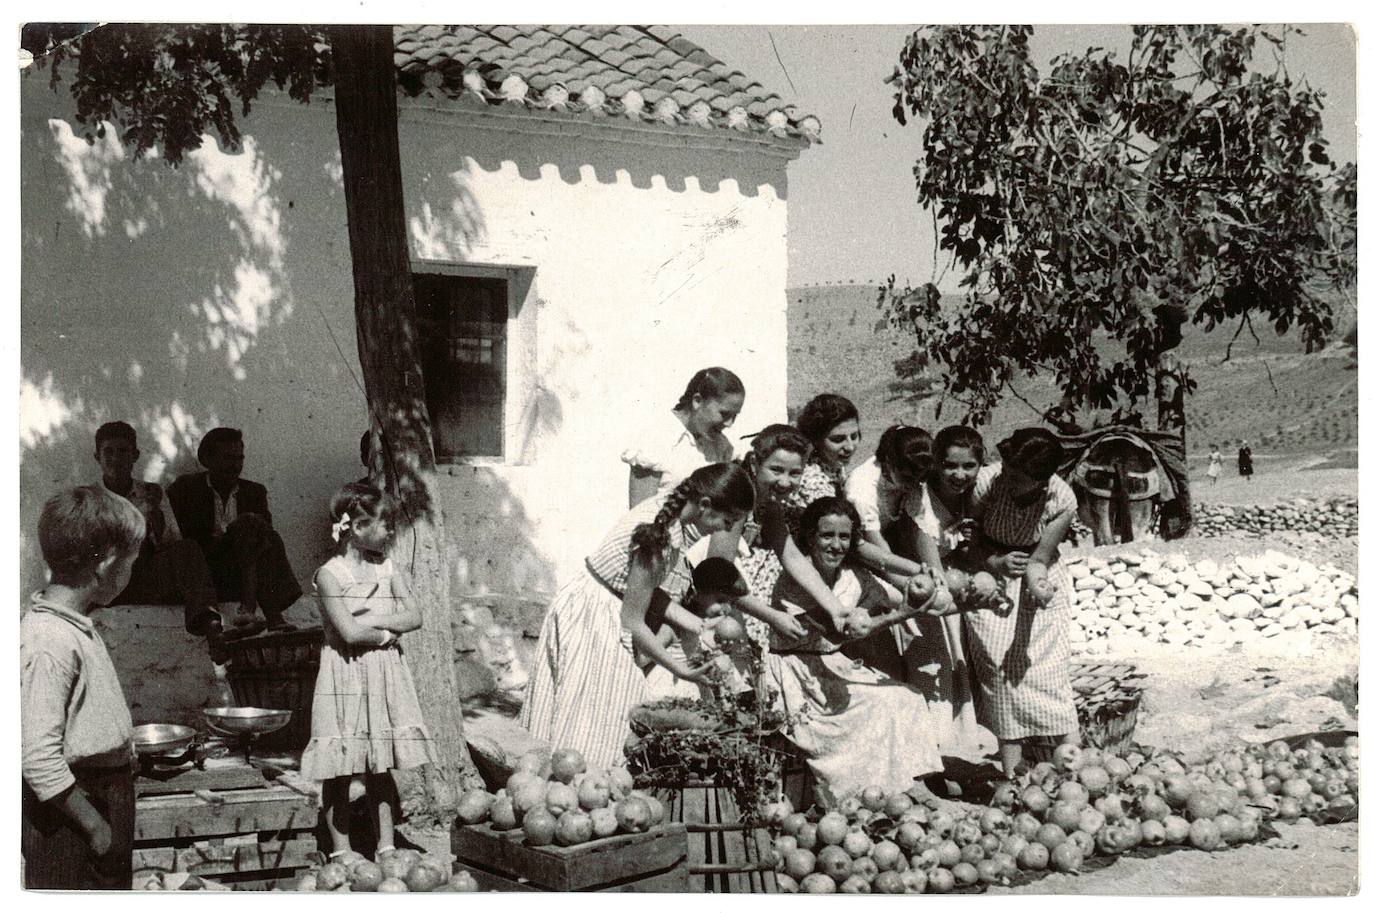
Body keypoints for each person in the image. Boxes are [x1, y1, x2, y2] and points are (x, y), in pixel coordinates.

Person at [521, 463, 760, 767]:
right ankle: (578, 788)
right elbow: (632, 619)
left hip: (605, 604)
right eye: (728, 521)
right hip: (595, 615)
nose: (725, 530)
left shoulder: (667, 511)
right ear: (705, 506)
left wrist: (691, 622)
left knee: (599, 714)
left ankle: (578, 786)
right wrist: (682, 670)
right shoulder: (658, 537)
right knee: (595, 715)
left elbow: (642, 588)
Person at [765, 496, 944, 807]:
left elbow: (890, 598)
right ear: (810, 537)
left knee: (907, 696)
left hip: (833, 665)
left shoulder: (852, 577)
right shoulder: (798, 579)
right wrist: (899, 615)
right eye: (827, 535)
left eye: (844, 536)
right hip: (796, 672)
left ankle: (911, 786)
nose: (836, 545)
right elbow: (838, 630)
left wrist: (957, 597)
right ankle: (855, 796)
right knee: (877, 703)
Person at [300, 483, 438, 861]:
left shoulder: (388, 568)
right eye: (386, 525)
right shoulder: (330, 575)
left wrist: (374, 619)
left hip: (384, 675)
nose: (392, 532)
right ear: (358, 527)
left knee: (381, 762)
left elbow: (415, 616)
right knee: (340, 765)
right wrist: (386, 632)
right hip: (344, 674)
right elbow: (348, 632)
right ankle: (342, 850)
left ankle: (387, 844)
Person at [22, 485, 144, 890]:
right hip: (73, 819)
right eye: (131, 561)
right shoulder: (49, 640)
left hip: (103, 798)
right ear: (107, 562)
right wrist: (95, 828)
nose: (131, 571)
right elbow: (37, 757)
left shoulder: (73, 627)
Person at [964, 428, 1081, 779]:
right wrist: (995, 562)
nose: (1009, 482)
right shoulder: (987, 482)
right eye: (1008, 473)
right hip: (991, 580)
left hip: (1036, 582)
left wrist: (1038, 586)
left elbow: (1040, 559)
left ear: (1044, 481)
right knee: (1001, 676)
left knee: (1049, 675)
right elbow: (968, 539)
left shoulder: (1063, 500)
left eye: (1019, 479)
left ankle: (1076, 774)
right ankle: (1013, 776)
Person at [92, 422, 255, 654]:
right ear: (97, 456)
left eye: (123, 451)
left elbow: (171, 543)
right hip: (108, 588)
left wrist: (155, 521)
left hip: (143, 580)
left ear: (135, 455)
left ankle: (212, 627)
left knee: (187, 548)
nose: (116, 459)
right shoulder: (86, 500)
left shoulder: (151, 493)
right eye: (109, 451)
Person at [909, 426, 999, 756]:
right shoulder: (920, 500)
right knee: (937, 671)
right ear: (935, 463)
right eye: (949, 466)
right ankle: (939, 755)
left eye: (968, 466)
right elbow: (929, 558)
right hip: (929, 588)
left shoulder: (976, 496)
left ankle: (965, 749)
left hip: (958, 587)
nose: (959, 474)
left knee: (964, 669)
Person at [167, 428, 303, 632]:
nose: (236, 466)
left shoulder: (254, 492)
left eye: (240, 458)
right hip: (205, 575)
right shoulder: (186, 489)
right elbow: (184, 540)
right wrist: (230, 535)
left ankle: (258, 610)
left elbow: (264, 538)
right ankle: (265, 612)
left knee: (257, 527)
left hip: (242, 574)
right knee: (246, 525)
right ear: (207, 459)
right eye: (228, 458)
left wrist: (241, 533)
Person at [622, 367, 745, 507]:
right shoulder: (656, 439)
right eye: (724, 414)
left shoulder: (722, 447)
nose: (730, 423)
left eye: (735, 416)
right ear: (697, 401)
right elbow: (639, 516)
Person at [793, 394, 862, 507]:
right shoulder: (815, 485)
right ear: (815, 439)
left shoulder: (831, 463)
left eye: (854, 436)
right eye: (838, 439)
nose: (850, 446)